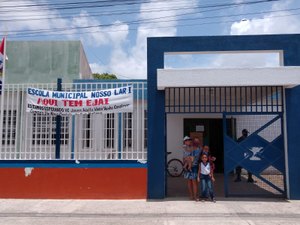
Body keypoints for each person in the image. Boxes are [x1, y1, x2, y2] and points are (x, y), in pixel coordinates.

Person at [182, 136, 201, 201]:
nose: (196, 142)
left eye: (197, 141)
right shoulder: (187, 148)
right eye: (195, 141)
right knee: (189, 182)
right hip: (188, 166)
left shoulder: (198, 149)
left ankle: (195, 196)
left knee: (194, 182)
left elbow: (194, 158)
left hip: (194, 167)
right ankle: (191, 195)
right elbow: (185, 157)